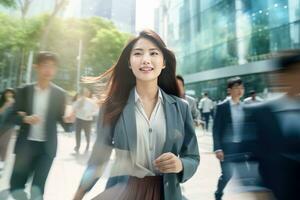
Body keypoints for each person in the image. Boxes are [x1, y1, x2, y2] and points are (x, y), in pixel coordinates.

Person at [73, 29, 200, 200]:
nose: (146, 60)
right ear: (129, 62)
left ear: (163, 62)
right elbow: (98, 157)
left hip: (166, 193)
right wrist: (79, 194)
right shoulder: (112, 107)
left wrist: (180, 164)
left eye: (154, 53)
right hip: (124, 192)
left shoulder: (181, 108)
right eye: (138, 53)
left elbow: (192, 156)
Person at [9, 51, 73, 200]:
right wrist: (25, 119)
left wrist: (70, 120)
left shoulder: (59, 94)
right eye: (45, 66)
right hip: (25, 147)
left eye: (52, 67)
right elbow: (11, 117)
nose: (48, 70)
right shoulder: (24, 91)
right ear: (36, 67)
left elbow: (66, 124)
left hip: (46, 149)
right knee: (16, 186)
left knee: (37, 190)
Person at [244, 51, 300, 200]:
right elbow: (246, 154)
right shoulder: (260, 112)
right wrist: (255, 188)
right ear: (283, 76)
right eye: (295, 73)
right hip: (274, 191)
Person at [213, 77, 256, 200]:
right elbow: (216, 129)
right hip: (226, 149)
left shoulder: (245, 107)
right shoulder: (222, 107)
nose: (239, 90)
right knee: (227, 174)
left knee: (247, 174)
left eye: (241, 88)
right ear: (229, 90)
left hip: (241, 148)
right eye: (236, 87)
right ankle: (218, 193)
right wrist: (218, 148)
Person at [72, 87, 98, 153]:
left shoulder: (92, 101)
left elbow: (96, 111)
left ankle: (87, 145)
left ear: (89, 93)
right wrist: (80, 104)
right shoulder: (79, 100)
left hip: (87, 120)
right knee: (77, 134)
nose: (86, 93)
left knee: (87, 134)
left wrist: (91, 114)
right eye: (84, 92)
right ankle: (77, 146)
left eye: (87, 92)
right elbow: (74, 107)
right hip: (79, 119)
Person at [0, 88, 16, 172]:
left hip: (9, 127)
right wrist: (6, 105)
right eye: (7, 94)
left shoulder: (15, 104)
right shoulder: (1, 102)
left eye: (11, 94)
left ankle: (2, 164)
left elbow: (17, 115)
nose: (9, 95)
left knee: (3, 145)